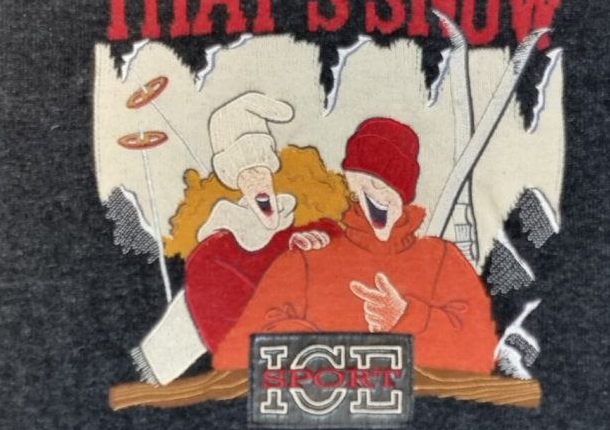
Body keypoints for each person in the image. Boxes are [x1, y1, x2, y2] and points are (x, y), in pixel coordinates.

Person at [214, 117, 499, 373]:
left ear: (403, 191)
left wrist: (407, 316)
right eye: (361, 186)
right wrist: (310, 346)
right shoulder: (308, 258)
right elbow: (233, 354)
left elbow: (484, 351)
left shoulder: (441, 259)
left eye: (380, 184)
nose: (370, 196)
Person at [170, 92, 346, 352]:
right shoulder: (212, 254)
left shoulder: (301, 226)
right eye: (246, 173)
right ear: (233, 180)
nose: (257, 180)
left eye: (261, 168)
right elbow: (227, 336)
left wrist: (322, 245)